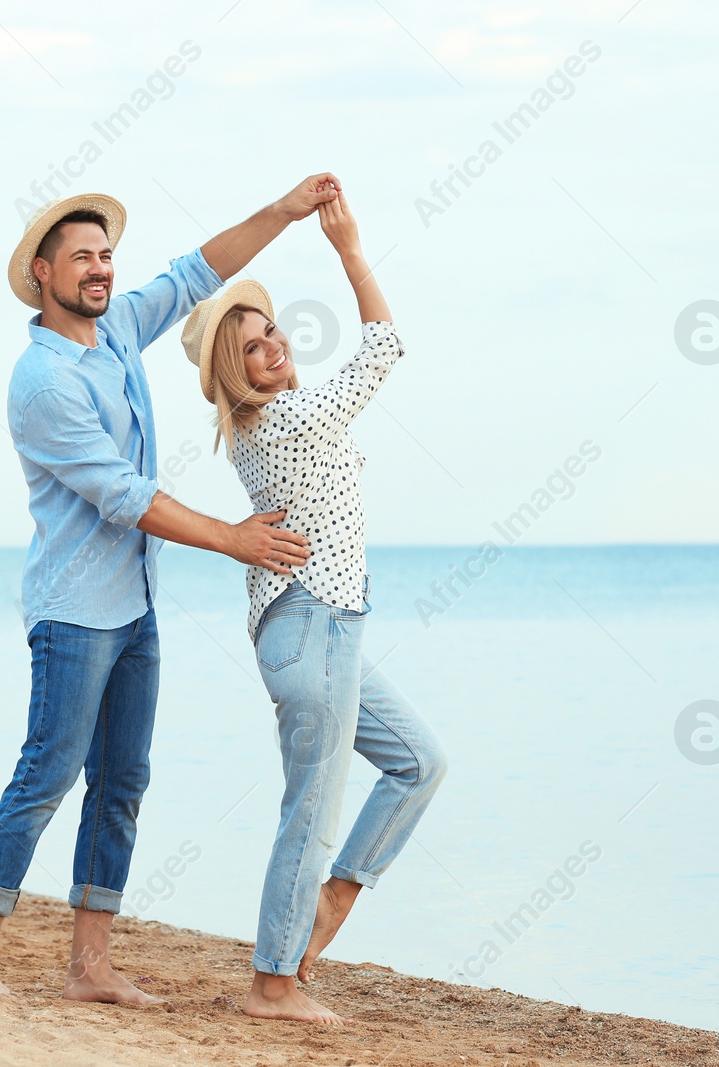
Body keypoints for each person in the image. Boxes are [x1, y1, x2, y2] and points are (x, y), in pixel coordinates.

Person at [0, 175, 340, 1003]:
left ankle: (89, 967)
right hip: (73, 610)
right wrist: (233, 538)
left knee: (123, 781)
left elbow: (197, 272)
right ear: (44, 276)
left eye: (105, 254)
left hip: (134, 602)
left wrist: (283, 210)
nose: (99, 267)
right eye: (81, 257)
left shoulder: (120, 328)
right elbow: (124, 494)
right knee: (47, 773)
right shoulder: (43, 380)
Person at [180, 191, 447, 1024]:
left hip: (320, 629)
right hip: (313, 624)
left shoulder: (269, 423)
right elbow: (383, 348)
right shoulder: (284, 419)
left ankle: (326, 907)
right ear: (233, 374)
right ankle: (273, 981)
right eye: (251, 348)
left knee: (418, 761)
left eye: (271, 334)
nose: (273, 348)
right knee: (312, 805)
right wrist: (351, 250)